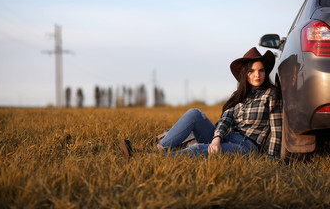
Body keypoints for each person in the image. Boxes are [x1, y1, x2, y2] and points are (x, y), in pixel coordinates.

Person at [120, 47, 282, 159]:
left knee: (198, 149)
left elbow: (276, 131)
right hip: (226, 138)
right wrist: (217, 138)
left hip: (246, 148)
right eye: (252, 71)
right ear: (245, 74)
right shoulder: (238, 95)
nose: (257, 75)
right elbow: (225, 120)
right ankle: (158, 148)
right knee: (194, 113)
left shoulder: (270, 94)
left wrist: (270, 159)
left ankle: (151, 158)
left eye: (261, 70)